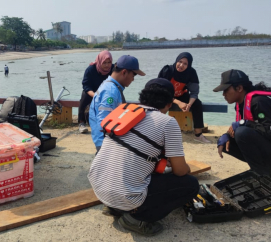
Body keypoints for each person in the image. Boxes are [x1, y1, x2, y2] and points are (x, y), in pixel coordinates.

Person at [88, 78, 199, 236]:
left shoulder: (124, 111)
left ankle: (114, 207)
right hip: (124, 195)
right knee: (191, 185)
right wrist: (186, 168)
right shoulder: (168, 122)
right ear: (169, 103)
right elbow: (180, 171)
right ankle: (136, 219)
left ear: (143, 97)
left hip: (99, 188)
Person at [213, 69, 271, 178]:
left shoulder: (259, 102)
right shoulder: (240, 104)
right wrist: (227, 135)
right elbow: (250, 127)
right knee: (225, 142)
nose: (223, 94)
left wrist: (244, 123)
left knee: (242, 133)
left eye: (226, 90)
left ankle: (262, 176)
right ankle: (265, 171)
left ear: (239, 88)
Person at [89, 55, 145, 152]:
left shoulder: (110, 85)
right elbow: (104, 122)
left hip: (104, 141)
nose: (133, 79)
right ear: (124, 72)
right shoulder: (111, 91)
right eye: (133, 75)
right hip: (106, 144)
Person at [158, 52, 211, 143]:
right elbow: (160, 90)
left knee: (197, 103)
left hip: (181, 95)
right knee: (160, 103)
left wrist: (189, 104)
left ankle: (198, 134)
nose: (181, 65)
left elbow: (194, 92)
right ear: (176, 60)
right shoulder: (167, 70)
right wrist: (178, 102)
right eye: (180, 61)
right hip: (165, 95)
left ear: (189, 65)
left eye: (185, 64)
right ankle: (158, 132)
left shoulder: (191, 73)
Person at [78, 50, 114, 133]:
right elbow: (86, 85)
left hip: (107, 92)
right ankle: (81, 122)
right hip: (92, 92)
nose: (107, 65)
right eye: (104, 62)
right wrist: (95, 95)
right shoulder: (90, 69)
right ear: (99, 61)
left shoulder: (113, 69)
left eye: (109, 62)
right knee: (84, 97)